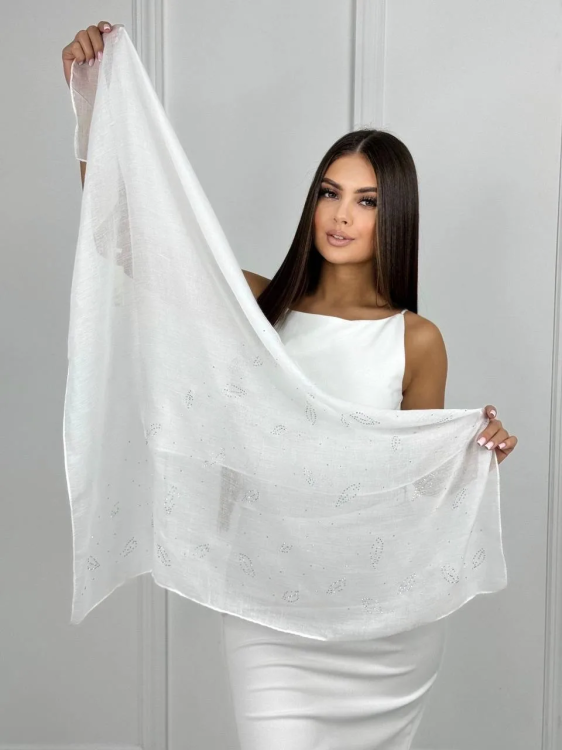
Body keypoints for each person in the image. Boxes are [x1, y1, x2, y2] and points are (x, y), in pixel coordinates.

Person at [63, 21, 518, 749]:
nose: (341, 215)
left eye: (366, 201)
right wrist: (93, 102)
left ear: (394, 214)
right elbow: (122, 235)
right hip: (268, 605)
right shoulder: (255, 308)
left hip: (381, 624)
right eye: (331, 193)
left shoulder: (416, 339)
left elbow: (417, 491)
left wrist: (473, 451)